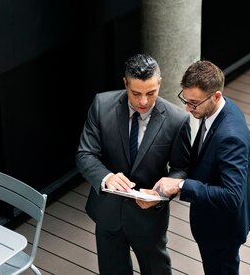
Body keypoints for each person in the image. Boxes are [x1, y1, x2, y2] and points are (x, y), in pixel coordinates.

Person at [76, 53, 191, 275]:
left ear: (160, 83)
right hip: (108, 214)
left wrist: (160, 194)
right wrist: (107, 177)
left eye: (151, 93)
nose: (144, 102)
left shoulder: (177, 120)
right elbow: (85, 154)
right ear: (125, 83)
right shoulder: (101, 105)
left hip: (149, 219)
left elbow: (182, 168)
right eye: (136, 93)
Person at [146, 60, 250, 275]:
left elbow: (232, 196)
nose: (188, 108)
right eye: (185, 100)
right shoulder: (220, 109)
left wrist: (181, 185)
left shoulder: (230, 136)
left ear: (216, 96)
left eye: (194, 103)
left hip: (222, 230)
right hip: (214, 223)